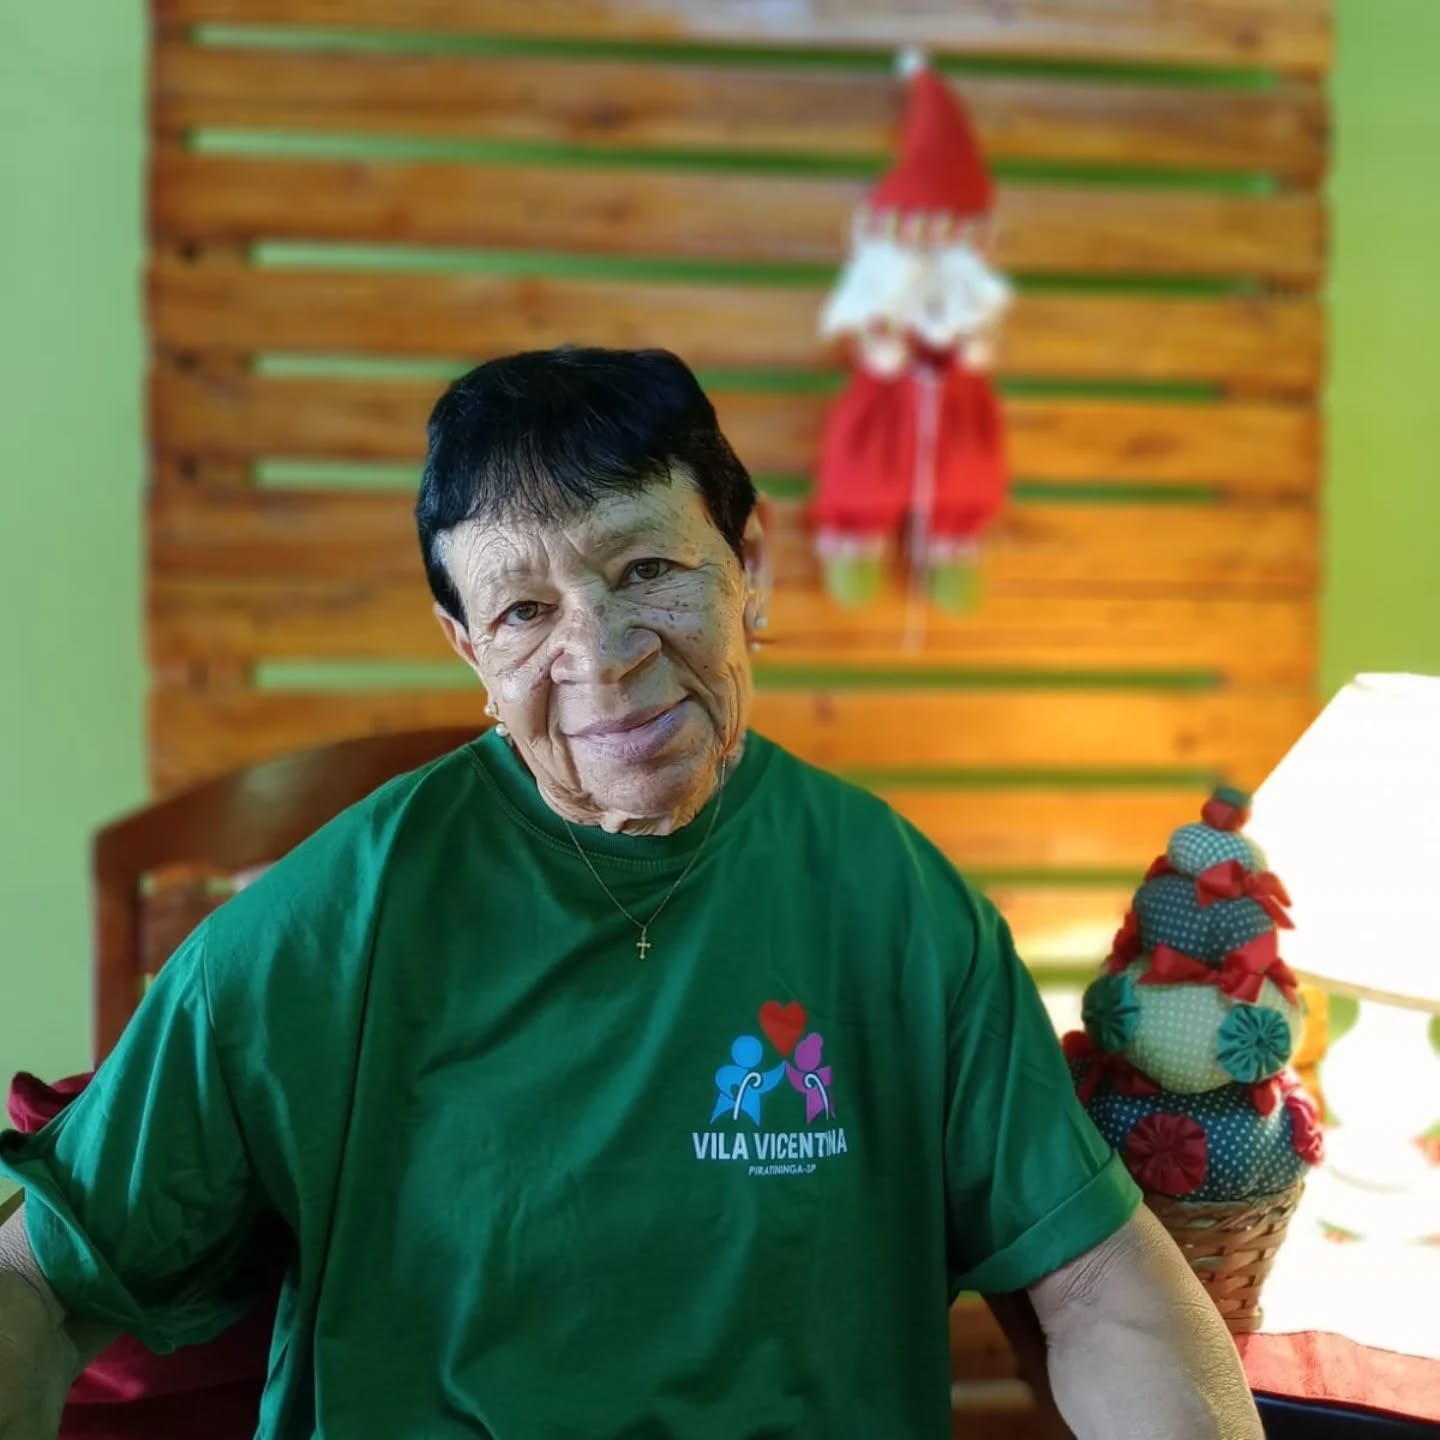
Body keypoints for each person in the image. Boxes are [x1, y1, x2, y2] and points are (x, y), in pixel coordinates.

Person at [0, 348, 1261, 1439]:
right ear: (469, 651)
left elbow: (1097, 1287)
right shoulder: (332, 922)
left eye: (649, 567)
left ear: (749, 568)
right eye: (524, 611)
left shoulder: (895, 903)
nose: (599, 659)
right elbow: (36, 1285)